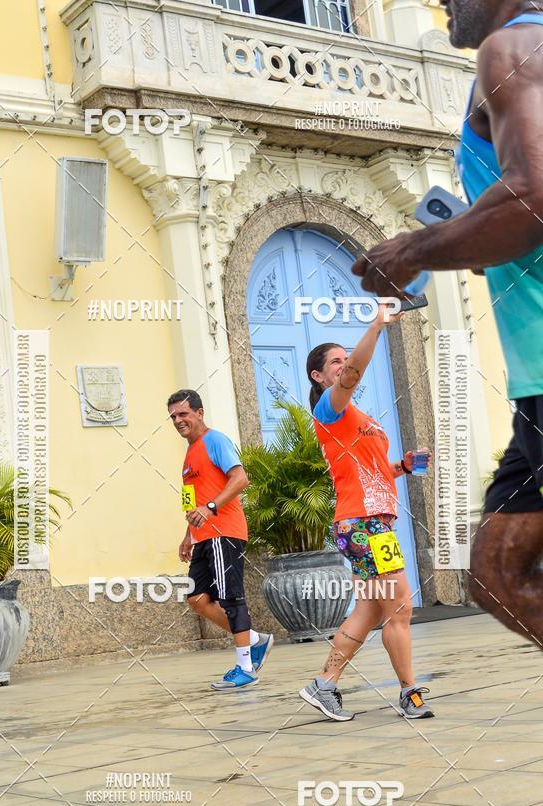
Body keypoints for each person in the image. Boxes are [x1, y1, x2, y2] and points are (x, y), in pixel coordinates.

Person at [351, 0, 543, 647]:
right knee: (495, 572)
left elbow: (532, 197)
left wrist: (413, 250)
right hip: (534, 383)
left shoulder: (510, 52)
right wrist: (478, 244)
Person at [298, 305, 434, 721]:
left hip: (367, 521)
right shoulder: (331, 409)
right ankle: (409, 694)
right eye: (335, 362)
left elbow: (374, 474)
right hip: (364, 524)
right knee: (400, 608)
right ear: (319, 377)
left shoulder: (360, 418)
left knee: (372, 609)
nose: (344, 365)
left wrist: (404, 466)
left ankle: (324, 684)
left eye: (345, 358)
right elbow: (354, 372)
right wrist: (377, 325)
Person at [168, 389, 273, 689]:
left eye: (184, 414)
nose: (178, 420)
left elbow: (240, 478)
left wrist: (211, 507)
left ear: (200, 413)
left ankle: (246, 667)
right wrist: (188, 536)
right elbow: (193, 500)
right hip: (203, 537)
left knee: (230, 598)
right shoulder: (190, 453)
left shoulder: (215, 440)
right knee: (198, 599)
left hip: (224, 532)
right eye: (174, 416)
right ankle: (254, 640)